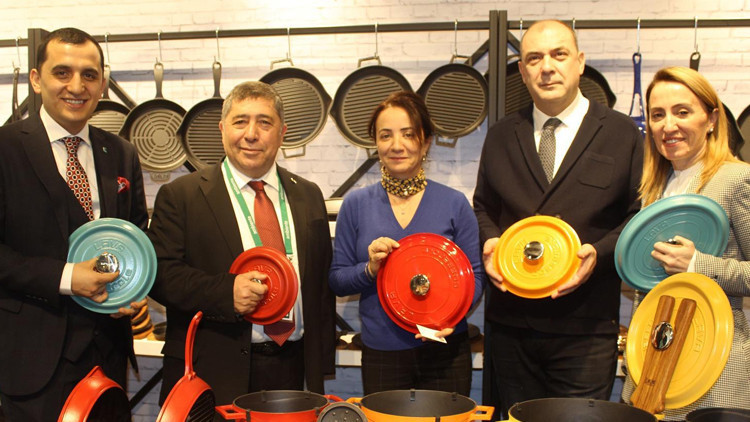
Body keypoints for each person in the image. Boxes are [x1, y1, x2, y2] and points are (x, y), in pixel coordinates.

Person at [473, 20, 643, 417]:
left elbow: (637, 216)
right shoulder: (501, 135)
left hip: (586, 325)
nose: (546, 67)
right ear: (522, 72)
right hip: (512, 324)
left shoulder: (621, 133)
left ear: (580, 62)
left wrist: (599, 254)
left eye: (558, 54)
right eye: (534, 58)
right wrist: (491, 241)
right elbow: (483, 207)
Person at [147, 81, 336, 406]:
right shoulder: (181, 195)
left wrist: (320, 367)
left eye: (264, 123)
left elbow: (320, 287)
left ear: (282, 133)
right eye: (240, 121)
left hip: (294, 368)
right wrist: (226, 292)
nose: (251, 134)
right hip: (215, 371)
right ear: (223, 129)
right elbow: (160, 276)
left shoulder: (308, 194)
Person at [0, 28, 148, 421]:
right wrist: (67, 277)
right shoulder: (5, 148)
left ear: (102, 83)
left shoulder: (121, 152)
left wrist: (133, 287)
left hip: (108, 357)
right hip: (31, 365)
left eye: (89, 75)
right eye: (62, 72)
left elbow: (136, 235)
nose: (77, 86)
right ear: (37, 79)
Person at [328, 90, 484, 396]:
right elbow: (337, 280)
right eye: (385, 135)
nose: (396, 145)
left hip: (445, 349)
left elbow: (475, 276)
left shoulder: (454, 204)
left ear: (426, 142)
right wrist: (370, 269)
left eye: (408, 134)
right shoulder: (356, 204)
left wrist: (452, 318)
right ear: (376, 143)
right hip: (382, 352)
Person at [621, 66, 750, 420]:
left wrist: (697, 265)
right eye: (657, 115)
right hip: (654, 367)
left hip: (713, 370)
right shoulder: (655, 188)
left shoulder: (737, 179)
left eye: (682, 112)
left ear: (711, 119)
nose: (668, 125)